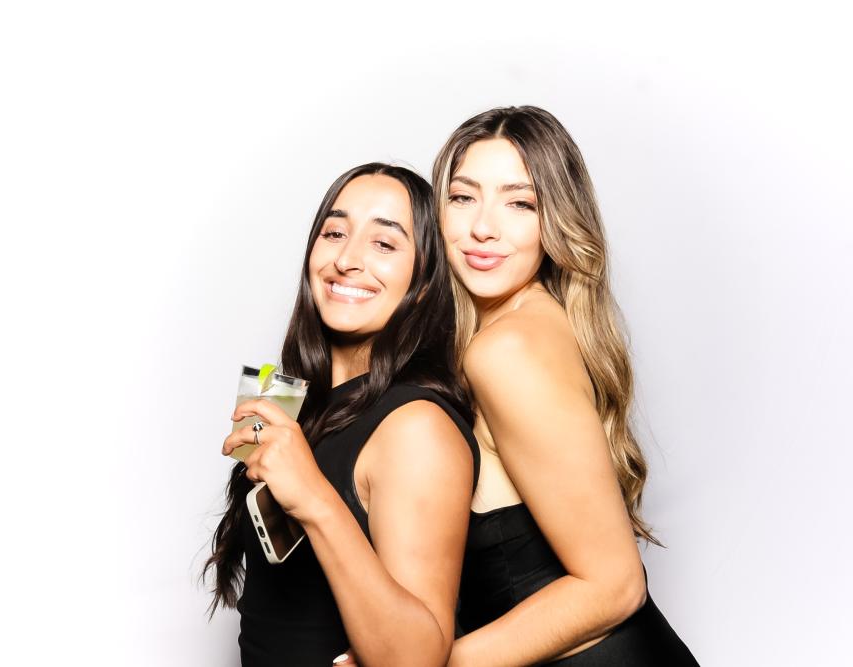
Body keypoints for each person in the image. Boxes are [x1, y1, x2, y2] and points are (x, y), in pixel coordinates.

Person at [429, 106, 698, 665]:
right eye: (463, 196)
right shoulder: (535, 321)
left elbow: (616, 586)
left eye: (519, 203)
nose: (483, 227)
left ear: (555, 219)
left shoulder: (506, 350)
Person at [204, 163, 480, 667]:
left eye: (384, 243)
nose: (347, 259)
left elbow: (418, 659)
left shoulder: (416, 427)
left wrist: (314, 498)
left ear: (423, 282)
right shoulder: (299, 404)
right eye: (334, 233)